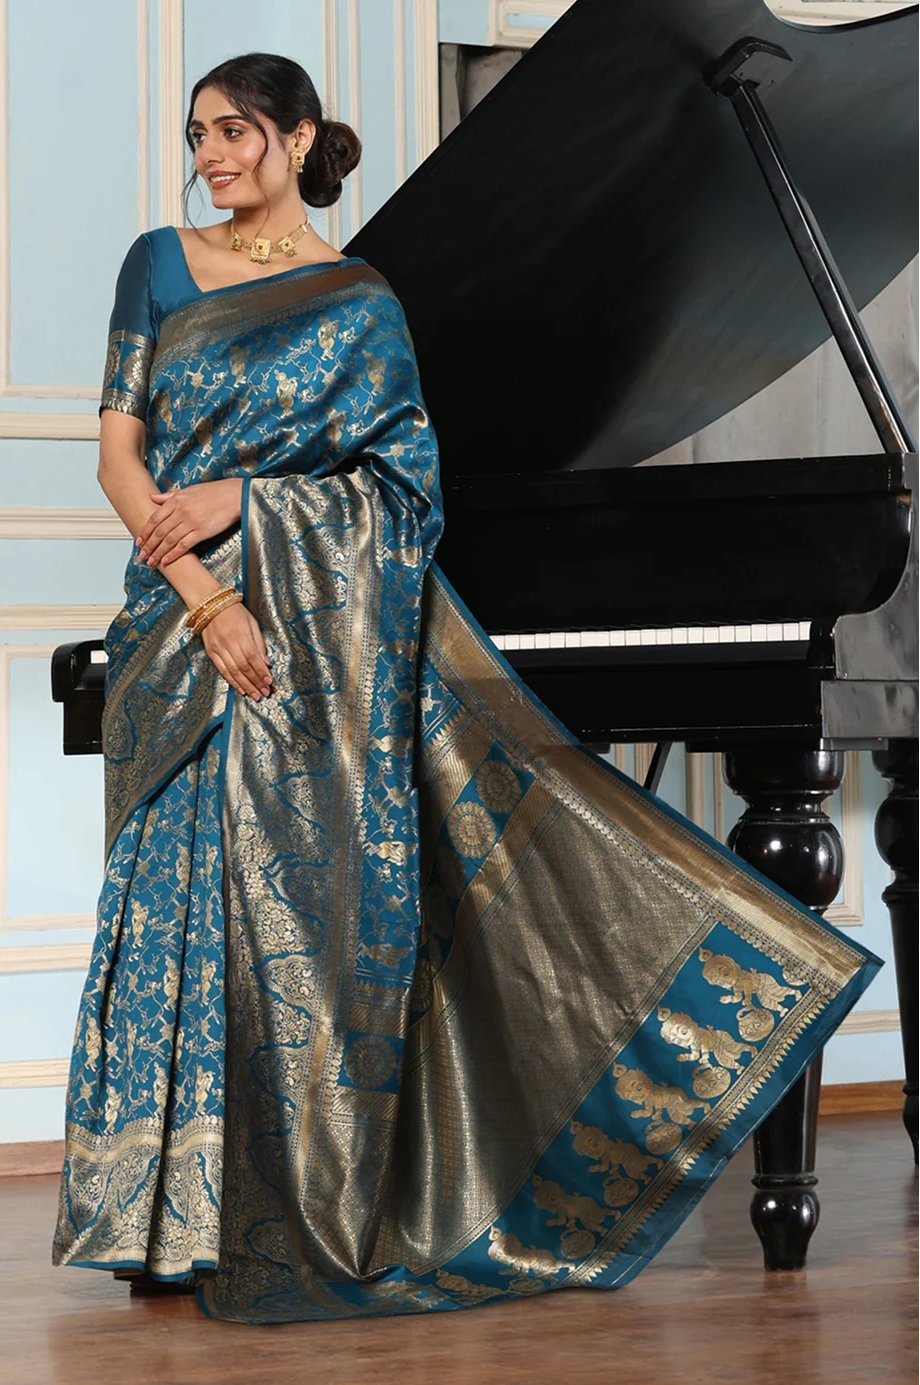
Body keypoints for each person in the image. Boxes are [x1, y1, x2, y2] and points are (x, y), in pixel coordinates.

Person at [51, 52, 879, 1326]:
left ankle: (284, 1200)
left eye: (232, 133)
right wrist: (209, 599)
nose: (208, 156)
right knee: (168, 908)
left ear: (296, 137)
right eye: (197, 134)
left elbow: (401, 490)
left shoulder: (361, 303)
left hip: (304, 632)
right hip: (180, 619)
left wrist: (252, 510)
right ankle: (165, 1218)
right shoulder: (157, 262)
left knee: (286, 921)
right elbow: (117, 446)